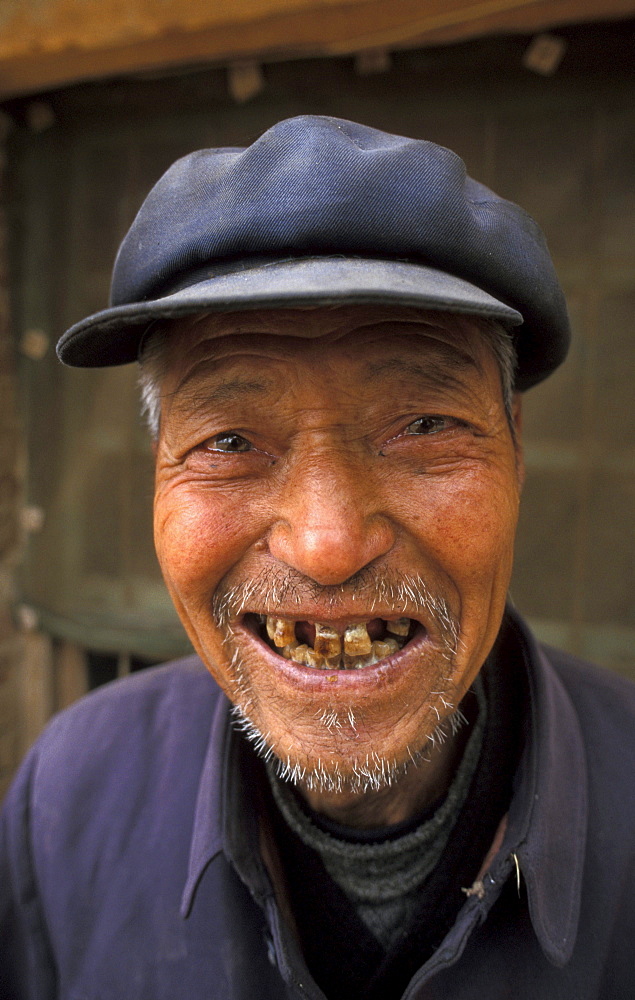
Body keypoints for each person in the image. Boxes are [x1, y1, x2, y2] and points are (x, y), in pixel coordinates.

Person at [1, 115, 634, 1000]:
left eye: (423, 426)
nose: (327, 545)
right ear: (157, 471)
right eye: (227, 439)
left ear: (514, 450)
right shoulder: (67, 801)